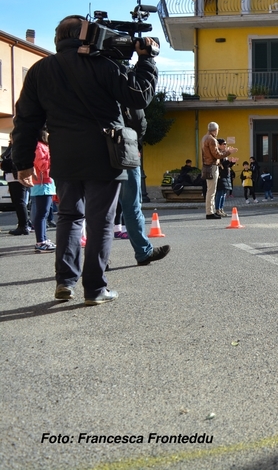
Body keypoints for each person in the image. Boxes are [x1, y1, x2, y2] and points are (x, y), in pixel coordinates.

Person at [12, 15, 158, 305]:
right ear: (86, 34)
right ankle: (95, 289)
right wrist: (147, 60)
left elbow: (26, 120)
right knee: (101, 221)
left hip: (65, 155)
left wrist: (23, 163)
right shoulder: (103, 64)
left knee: (69, 217)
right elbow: (138, 96)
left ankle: (65, 282)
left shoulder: (40, 70)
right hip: (105, 154)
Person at [119, 107, 170, 266]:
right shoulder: (122, 85)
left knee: (100, 209)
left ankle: (99, 259)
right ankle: (143, 252)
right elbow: (139, 119)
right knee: (131, 206)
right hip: (124, 149)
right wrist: (133, 141)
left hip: (95, 149)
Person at [201, 122, 237, 219]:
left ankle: (211, 211)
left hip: (207, 165)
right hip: (212, 166)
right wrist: (228, 152)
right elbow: (217, 155)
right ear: (215, 130)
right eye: (218, 130)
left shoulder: (204, 138)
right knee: (212, 191)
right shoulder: (212, 139)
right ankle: (210, 212)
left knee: (211, 190)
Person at [30, 129, 56, 252]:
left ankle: (43, 239)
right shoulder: (39, 146)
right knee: (41, 214)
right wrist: (53, 157)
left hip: (45, 182)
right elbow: (42, 165)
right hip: (42, 183)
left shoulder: (43, 146)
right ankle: (40, 241)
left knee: (43, 214)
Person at [2, 139, 32, 235]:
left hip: (17, 177)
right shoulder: (11, 148)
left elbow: (11, 162)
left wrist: (3, 164)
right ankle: (25, 223)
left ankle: (24, 226)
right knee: (17, 202)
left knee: (20, 202)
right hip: (12, 177)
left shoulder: (19, 148)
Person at [215, 139, 236, 216]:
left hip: (226, 175)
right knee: (220, 193)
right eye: (224, 144)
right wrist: (228, 161)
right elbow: (221, 165)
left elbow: (226, 166)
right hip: (221, 175)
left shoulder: (224, 154)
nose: (225, 145)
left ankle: (221, 209)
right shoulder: (218, 154)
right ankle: (217, 209)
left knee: (224, 194)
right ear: (219, 145)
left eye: (226, 144)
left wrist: (232, 163)